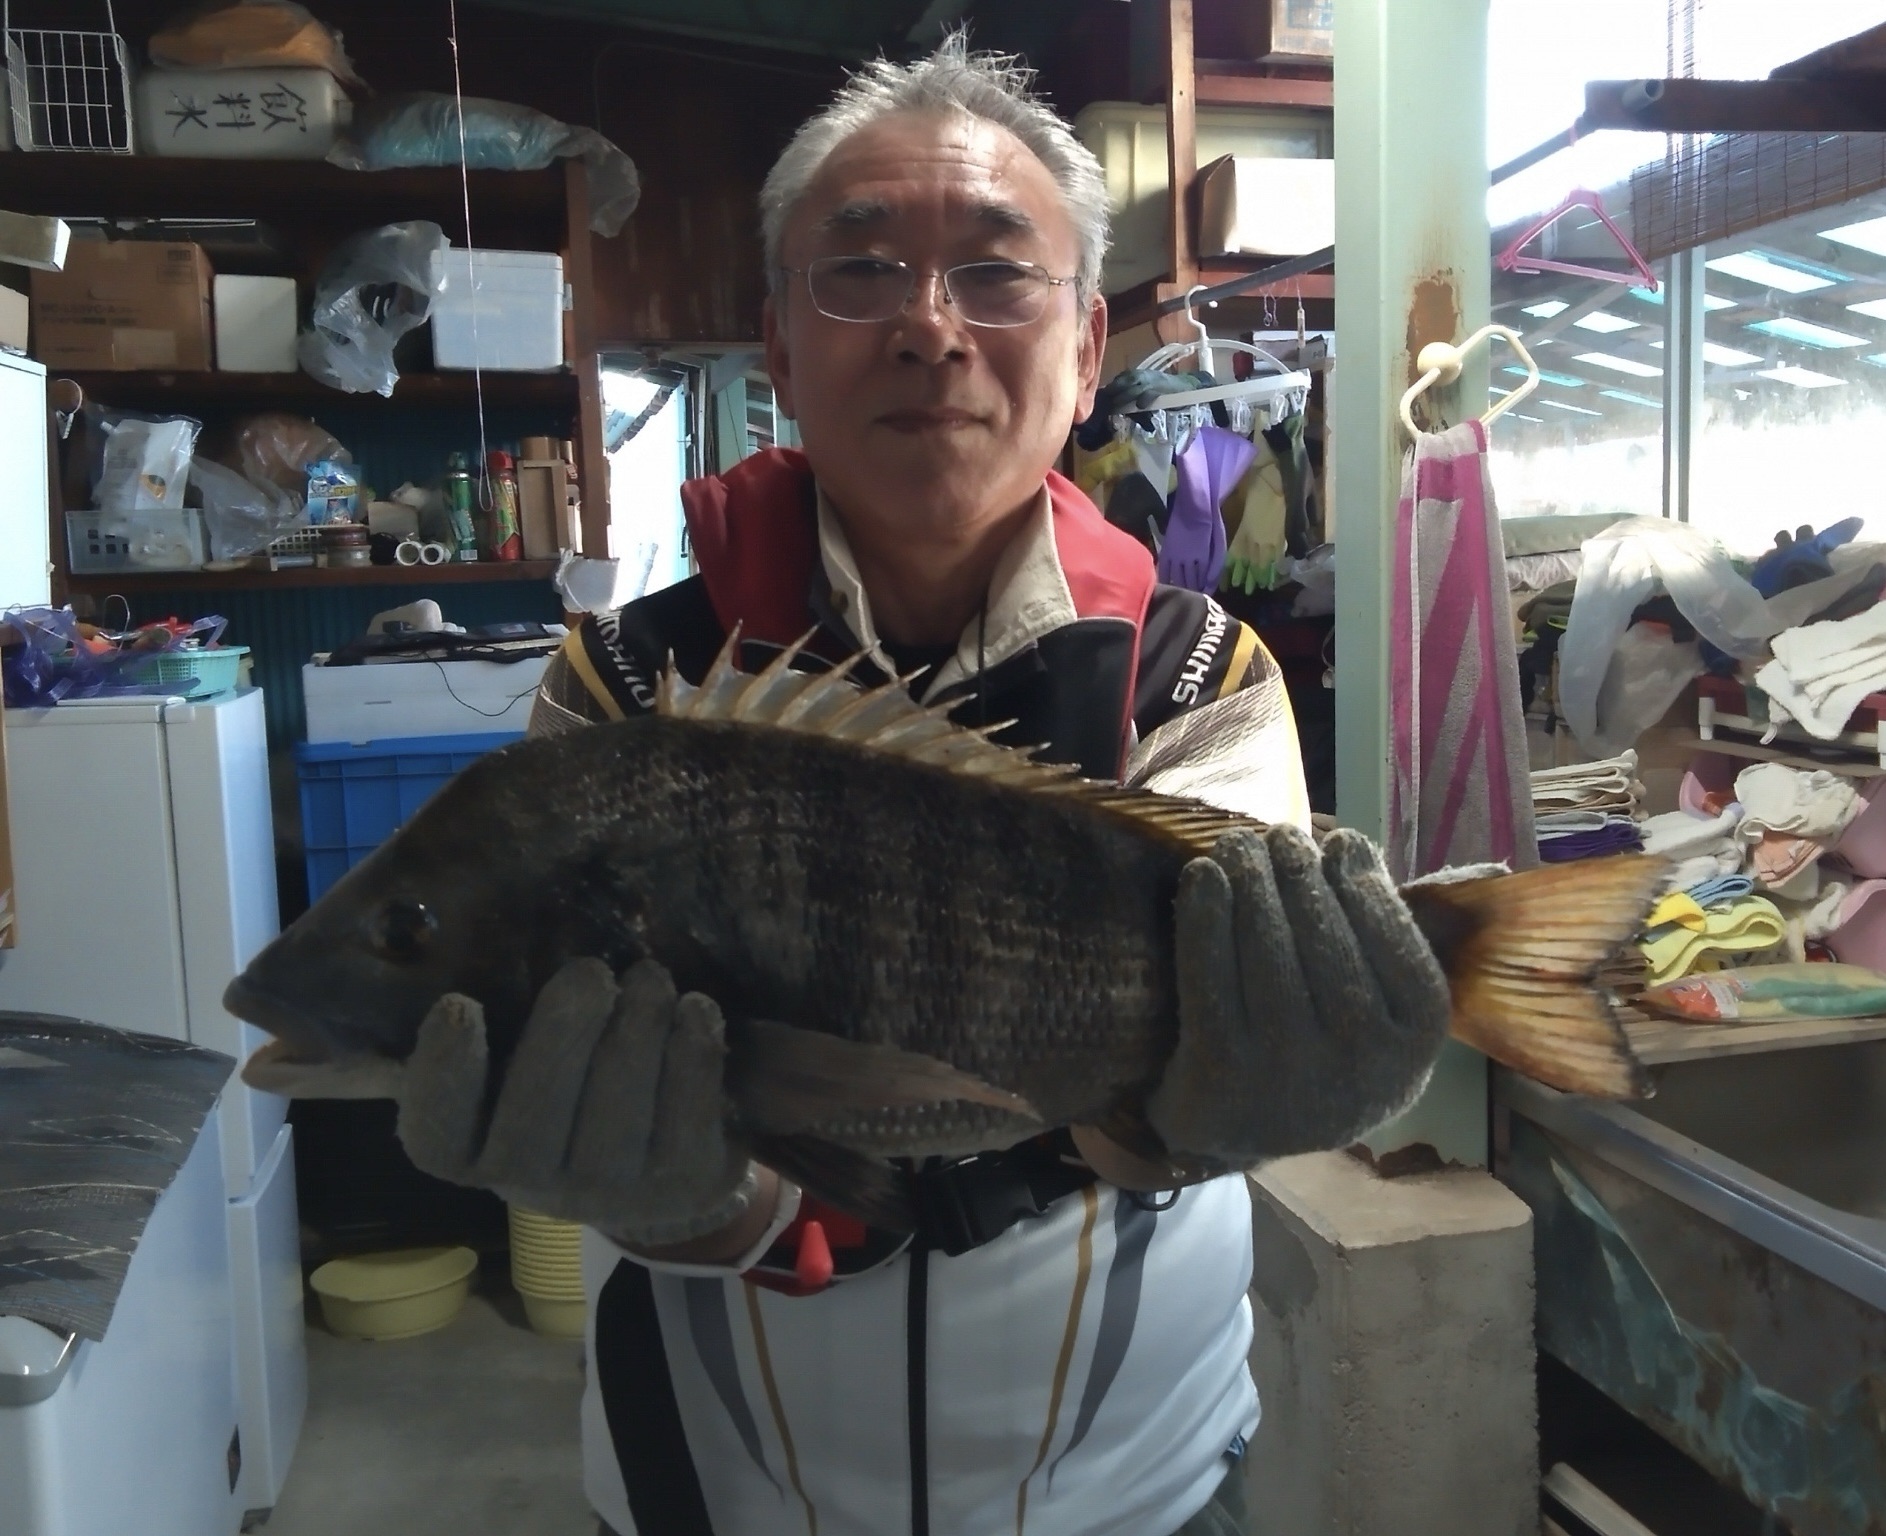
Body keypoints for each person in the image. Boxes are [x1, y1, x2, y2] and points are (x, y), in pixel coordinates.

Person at [393, 35, 1451, 1536]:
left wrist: (1266, 1091)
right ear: (775, 343)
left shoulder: (1199, 675)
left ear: (1087, 349)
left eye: (997, 274)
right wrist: (662, 1189)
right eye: (862, 272)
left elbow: (1198, 1071)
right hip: (710, 1485)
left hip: (1134, 1491)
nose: (928, 328)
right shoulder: (623, 690)